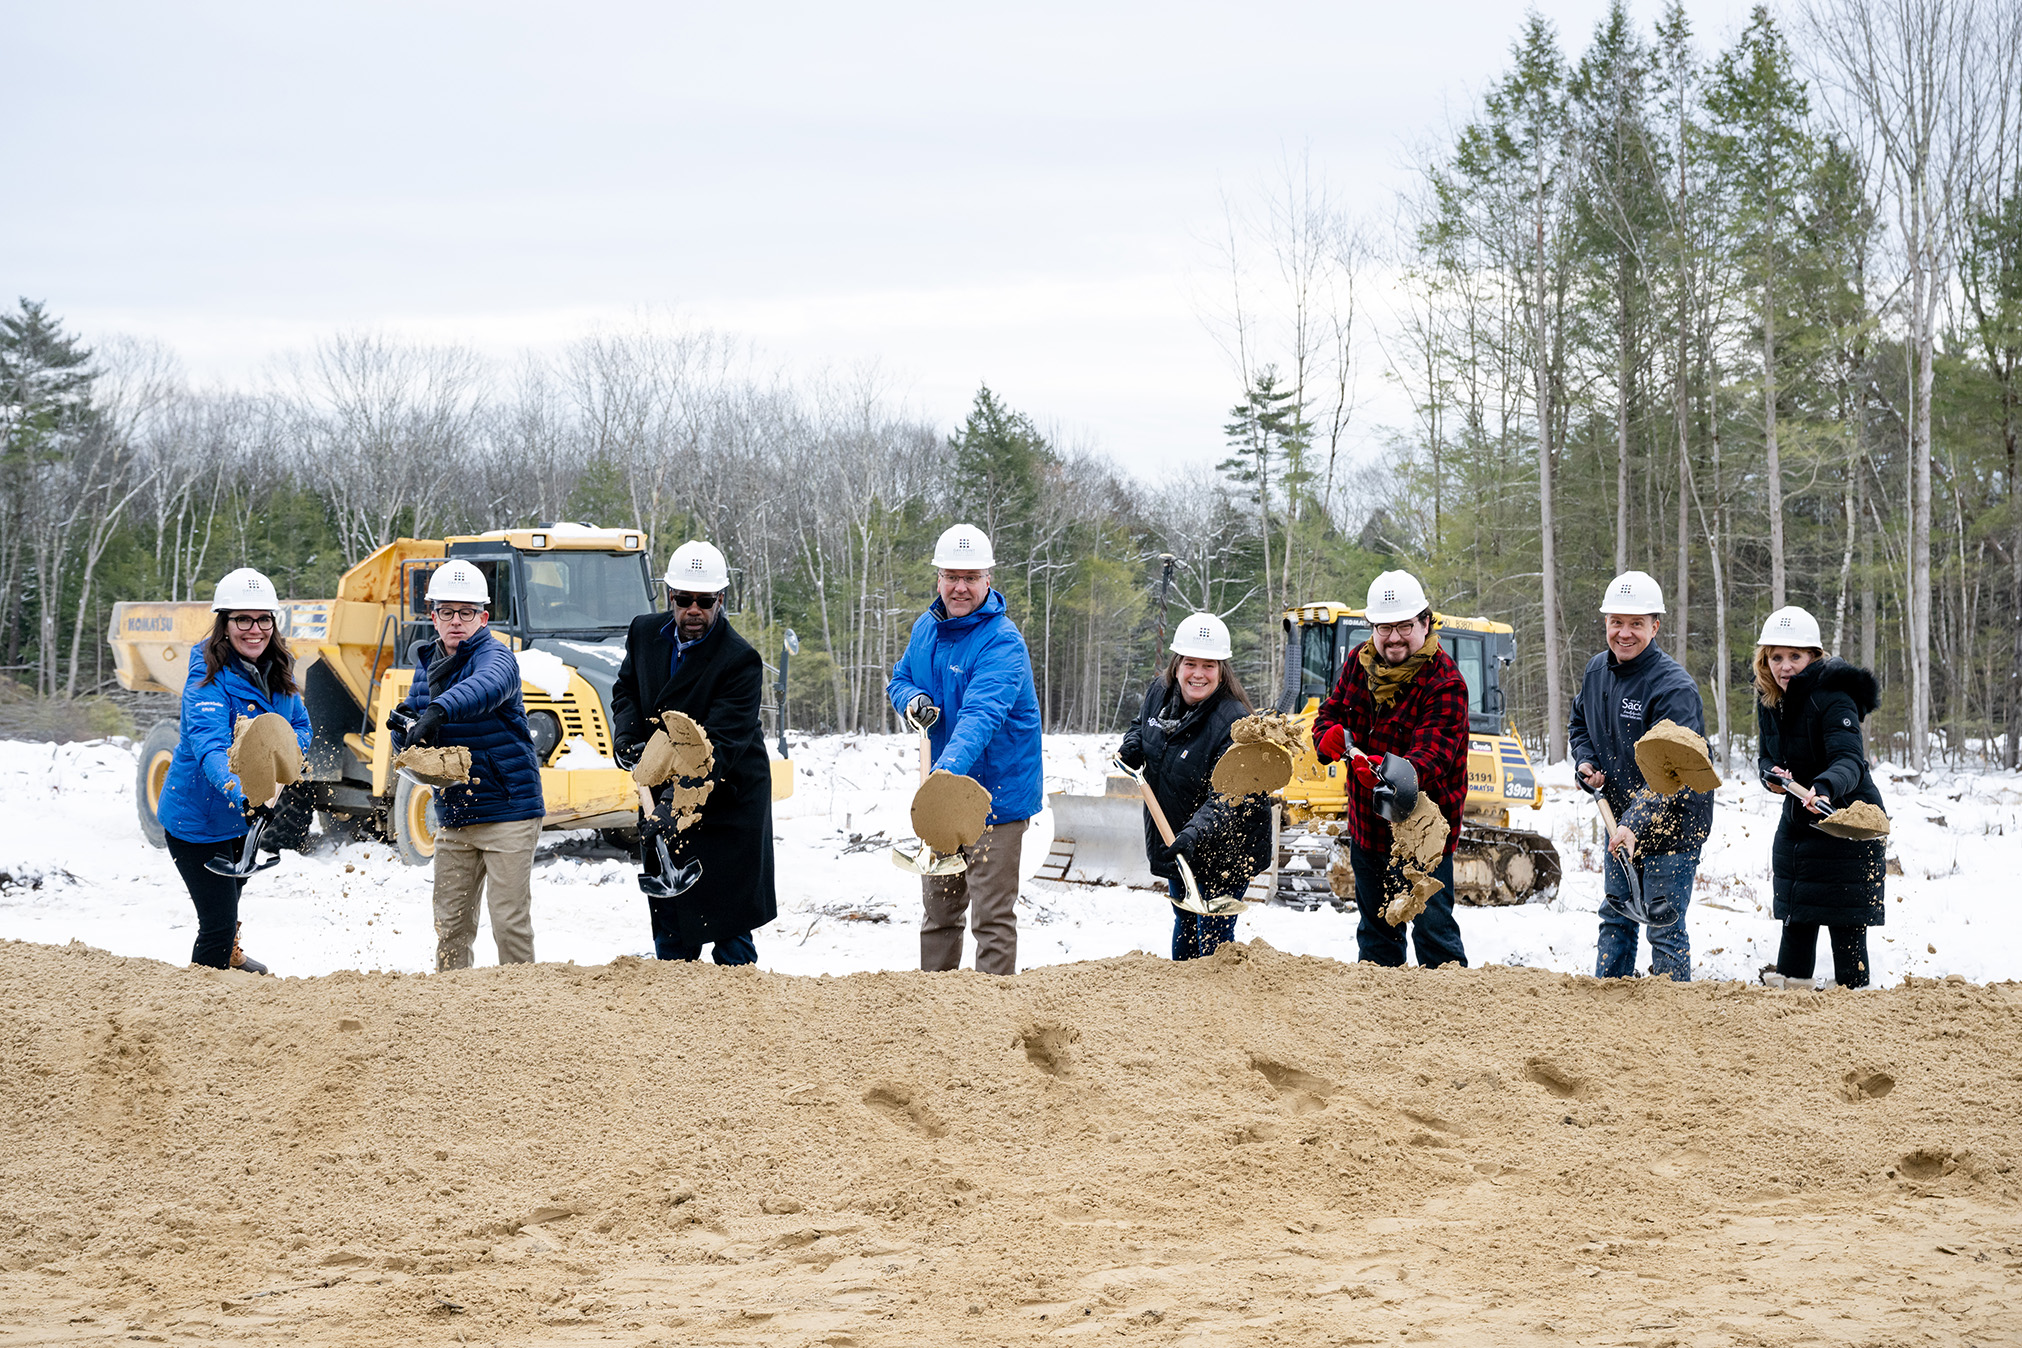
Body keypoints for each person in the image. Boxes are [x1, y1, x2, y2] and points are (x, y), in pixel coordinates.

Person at [886, 523, 1043, 975]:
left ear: (987, 580)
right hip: (945, 795)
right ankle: (936, 1008)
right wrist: (912, 701)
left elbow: (981, 718)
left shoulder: (1002, 642)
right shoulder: (926, 629)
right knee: (939, 912)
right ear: (938, 578)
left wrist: (942, 777)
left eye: (970, 578)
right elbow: (900, 678)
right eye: (951, 576)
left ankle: (990, 1022)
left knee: (991, 918)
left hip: (996, 799)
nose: (959, 587)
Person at [611, 540, 777, 964]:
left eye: (705, 601)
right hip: (661, 792)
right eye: (684, 600)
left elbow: (720, 745)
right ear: (670, 596)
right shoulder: (644, 633)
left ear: (721, 599)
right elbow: (626, 688)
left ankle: (739, 1015)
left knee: (728, 926)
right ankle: (675, 1013)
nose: (694, 611)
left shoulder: (740, 660)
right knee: (672, 925)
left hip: (725, 797)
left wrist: (675, 802)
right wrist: (628, 737)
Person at [1312, 570, 1471, 968]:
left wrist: (1389, 772)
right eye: (1385, 627)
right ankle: (1379, 1016)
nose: (1394, 637)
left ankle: (1451, 1014)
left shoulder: (1445, 681)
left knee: (1434, 932)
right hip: (1368, 828)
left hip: (1422, 837)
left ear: (1425, 623)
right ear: (1372, 628)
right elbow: (1330, 712)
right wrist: (1326, 735)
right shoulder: (1358, 663)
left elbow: (1433, 755)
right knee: (1376, 931)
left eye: (1404, 626)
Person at [393, 559, 546, 972]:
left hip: (508, 812)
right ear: (433, 615)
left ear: (484, 616)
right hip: (455, 815)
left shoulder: (497, 658)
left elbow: (485, 687)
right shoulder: (426, 666)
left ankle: (521, 1006)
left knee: (509, 922)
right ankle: (454, 1008)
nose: (456, 621)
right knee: (451, 924)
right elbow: (419, 731)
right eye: (447, 612)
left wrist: (437, 711)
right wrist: (403, 728)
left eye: (466, 612)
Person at [157, 567, 312, 974]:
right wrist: (243, 791)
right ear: (224, 624)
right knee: (217, 924)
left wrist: (283, 770)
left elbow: (299, 726)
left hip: (243, 820)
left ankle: (229, 957)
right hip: (198, 819)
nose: (254, 629)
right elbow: (209, 746)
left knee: (232, 907)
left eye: (263, 619)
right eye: (243, 619)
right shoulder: (206, 678)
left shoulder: (279, 670)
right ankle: (201, 1004)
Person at [1567, 569, 1713, 981]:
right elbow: (1579, 722)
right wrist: (1586, 761)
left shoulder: (1673, 688)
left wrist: (1633, 823)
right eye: (1616, 622)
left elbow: (1676, 771)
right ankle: (1608, 1004)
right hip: (1621, 822)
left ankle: (1672, 1013)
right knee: (1615, 917)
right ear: (1606, 623)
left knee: (1663, 926)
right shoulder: (1596, 671)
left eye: (1636, 624)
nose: (1624, 633)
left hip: (1674, 826)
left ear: (1655, 626)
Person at [1117, 612, 1272, 959]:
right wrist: (1134, 743)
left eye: (1209, 665)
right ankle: (1183, 1006)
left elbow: (1231, 798)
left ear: (1222, 670)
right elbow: (1141, 725)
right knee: (1184, 919)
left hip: (1225, 847)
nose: (1198, 674)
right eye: (1190, 663)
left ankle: (1214, 1009)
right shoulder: (1160, 692)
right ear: (1176, 665)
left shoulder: (1234, 722)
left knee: (1212, 936)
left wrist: (1193, 835)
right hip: (1179, 839)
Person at [1752, 606, 1887, 989]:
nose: (1785, 666)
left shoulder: (1834, 697)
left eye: (1795, 656)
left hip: (1847, 822)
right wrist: (1773, 776)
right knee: (1796, 920)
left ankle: (1854, 1010)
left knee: (1846, 927)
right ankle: (1792, 1012)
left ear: (1814, 657)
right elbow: (1768, 755)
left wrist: (1824, 786)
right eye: (1776, 657)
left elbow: (1849, 760)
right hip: (1799, 822)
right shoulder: (1769, 699)